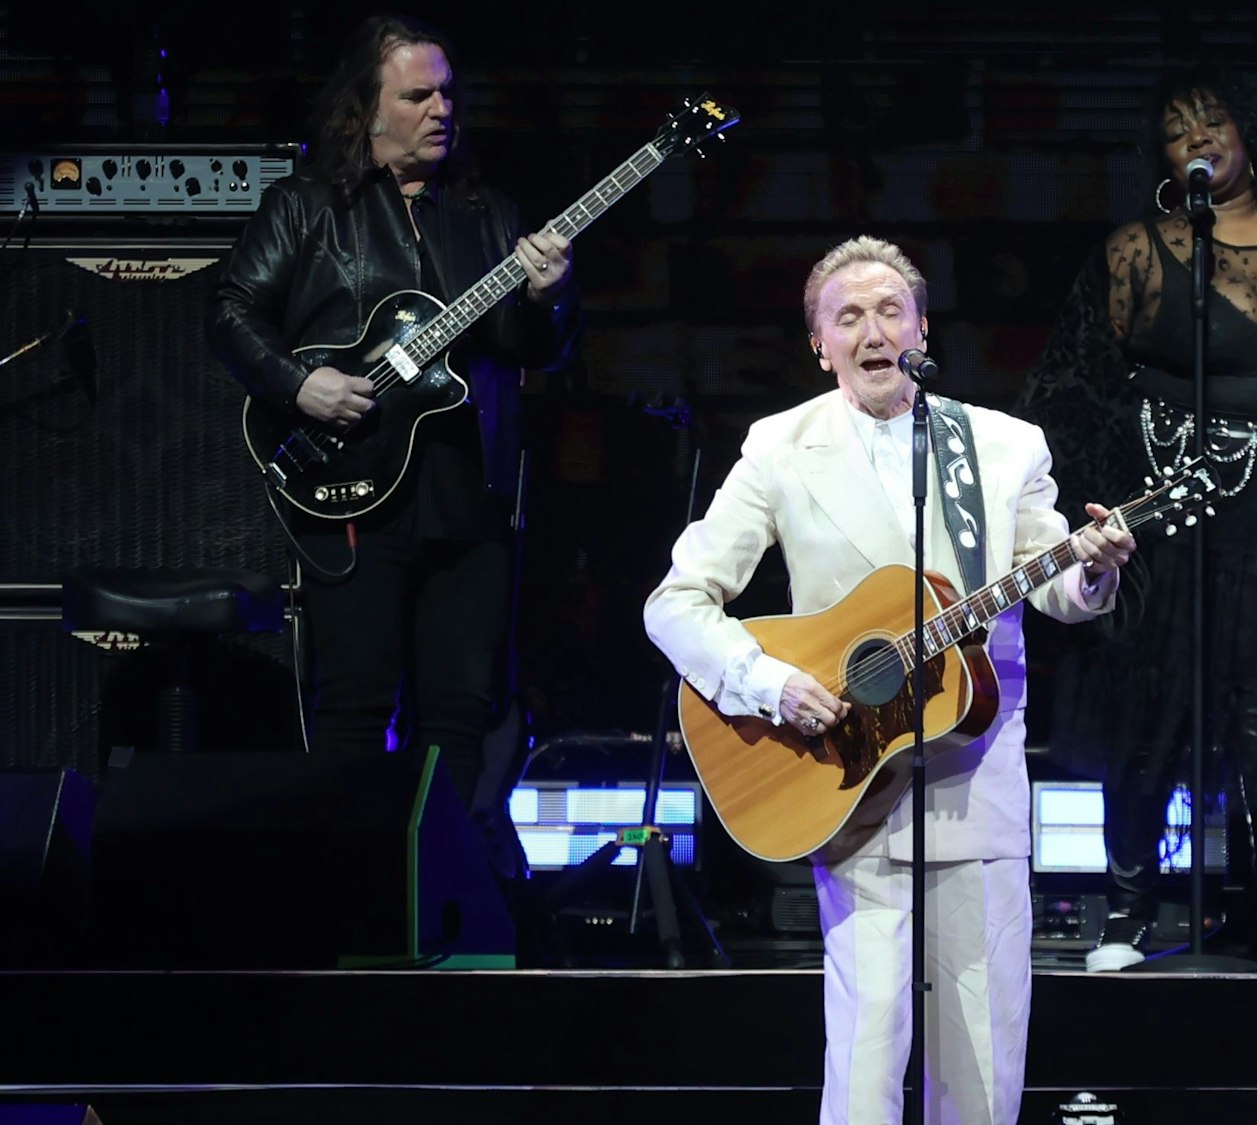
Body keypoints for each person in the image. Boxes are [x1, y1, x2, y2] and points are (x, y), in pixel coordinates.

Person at [644, 236, 1134, 1125]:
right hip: (843, 771)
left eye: (890, 311)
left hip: (973, 774)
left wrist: (1094, 569)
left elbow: (1053, 582)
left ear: (920, 328)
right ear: (819, 344)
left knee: (981, 1051)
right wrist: (768, 682)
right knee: (868, 1045)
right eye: (849, 316)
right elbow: (676, 604)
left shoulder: (1002, 444)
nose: (873, 331)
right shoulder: (778, 447)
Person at [1019, 70, 1257, 974]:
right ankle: (1128, 912)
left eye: (1213, 121)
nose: (1198, 139)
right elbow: (1067, 381)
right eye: (1175, 130)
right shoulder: (1137, 251)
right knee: (1152, 712)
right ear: (1159, 156)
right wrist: (1115, 486)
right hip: (1172, 528)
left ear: (1252, 133)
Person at [207, 13, 580, 814]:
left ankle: (434, 889)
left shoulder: (488, 212)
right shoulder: (306, 206)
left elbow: (530, 349)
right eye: (418, 94)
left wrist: (548, 298)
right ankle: (353, 898)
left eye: (448, 92)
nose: (441, 108)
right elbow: (231, 312)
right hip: (349, 487)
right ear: (368, 110)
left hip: (468, 490)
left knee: (459, 711)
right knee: (353, 704)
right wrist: (297, 385)